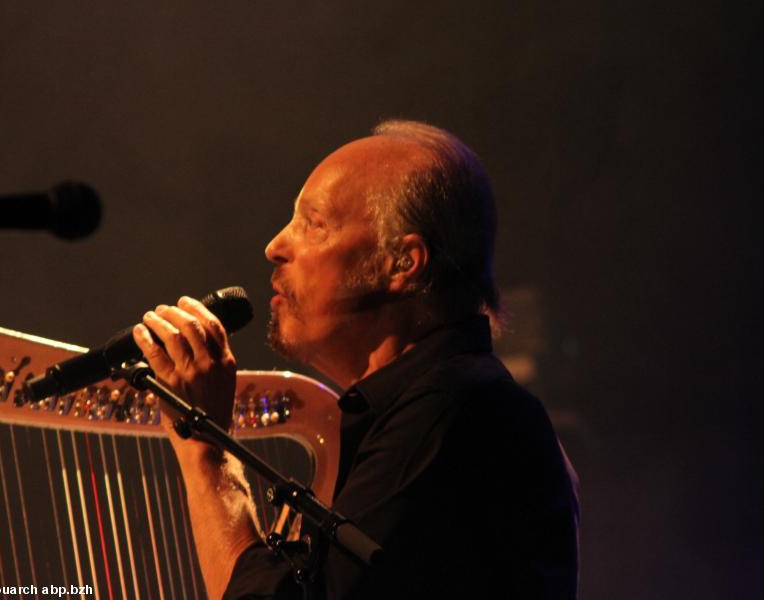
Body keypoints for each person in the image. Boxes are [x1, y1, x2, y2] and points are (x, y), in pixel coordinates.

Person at [132, 120, 580, 599]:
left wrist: (205, 451)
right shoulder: (436, 408)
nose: (275, 246)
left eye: (313, 224)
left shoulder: (454, 413)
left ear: (402, 263)